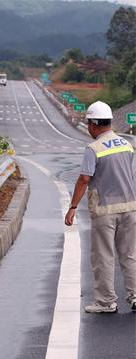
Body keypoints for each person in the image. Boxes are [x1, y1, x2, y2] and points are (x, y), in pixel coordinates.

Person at [65, 101, 136, 313]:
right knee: (130, 255)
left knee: (104, 256)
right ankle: (135, 296)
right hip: (130, 208)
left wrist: (73, 207)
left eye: (88, 124)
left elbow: (84, 179)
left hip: (105, 210)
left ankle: (106, 302)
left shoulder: (93, 148)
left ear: (94, 124)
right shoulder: (127, 145)